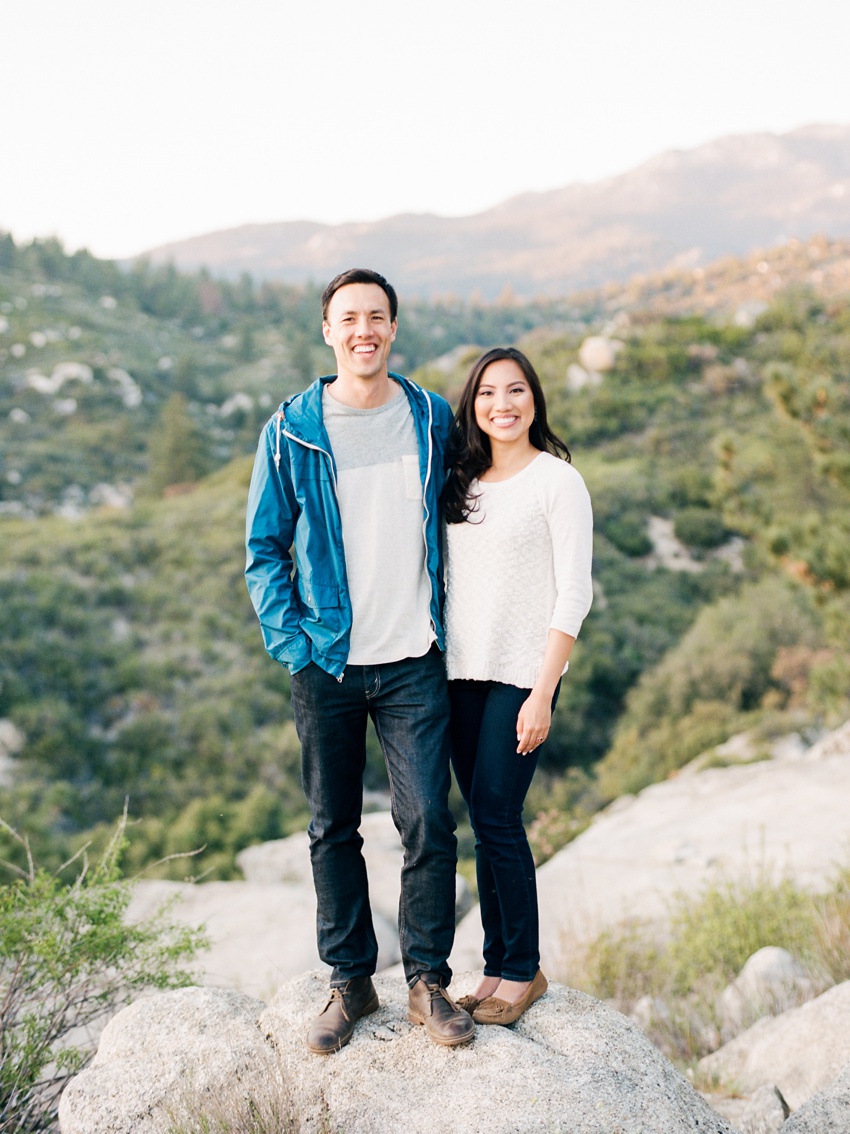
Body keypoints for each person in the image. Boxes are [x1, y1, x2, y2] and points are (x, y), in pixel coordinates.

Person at [245, 268, 474, 1054]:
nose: (363, 330)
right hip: (329, 665)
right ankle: (350, 982)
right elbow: (263, 551)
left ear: (393, 329)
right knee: (331, 828)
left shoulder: (430, 417)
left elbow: (476, 502)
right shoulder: (292, 429)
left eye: (376, 317)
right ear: (328, 331)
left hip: (415, 658)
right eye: (349, 318)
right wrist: (295, 644)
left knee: (426, 822)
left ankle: (427, 983)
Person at [442, 346, 593, 1026]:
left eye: (515, 391)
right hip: (458, 675)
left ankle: (523, 969)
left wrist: (543, 692)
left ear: (534, 399)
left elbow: (574, 595)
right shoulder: (461, 481)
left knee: (499, 816)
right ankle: (495, 965)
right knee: (483, 822)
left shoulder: (557, 482)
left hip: (521, 676)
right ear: (472, 405)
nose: (502, 404)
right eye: (487, 394)